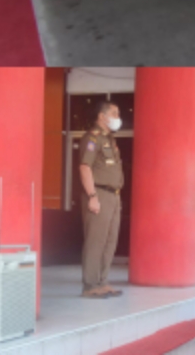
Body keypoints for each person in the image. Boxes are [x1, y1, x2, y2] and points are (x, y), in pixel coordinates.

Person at [79, 102, 125, 299]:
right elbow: (85, 167)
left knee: (109, 241)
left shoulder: (109, 139)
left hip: (113, 196)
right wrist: (92, 196)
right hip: (99, 194)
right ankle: (90, 285)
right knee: (96, 240)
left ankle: (102, 281)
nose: (117, 117)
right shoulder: (93, 138)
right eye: (114, 113)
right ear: (102, 116)